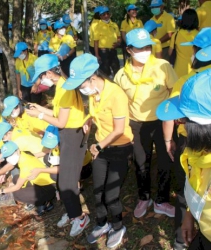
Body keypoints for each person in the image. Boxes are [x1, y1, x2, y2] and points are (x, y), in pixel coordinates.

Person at [62, 53, 133, 248]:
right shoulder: (94, 93)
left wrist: (99, 146)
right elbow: (95, 113)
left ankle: (118, 227)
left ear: (93, 77)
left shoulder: (116, 94)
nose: (80, 89)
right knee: (97, 192)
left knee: (111, 195)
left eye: (81, 85)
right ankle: (102, 224)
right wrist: (89, 119)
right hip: (101, 150)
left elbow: (119, 129)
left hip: (119, 148)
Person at [160, 27, 211, 250]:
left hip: (190, 142)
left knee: (187, 190)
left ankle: (180, 239)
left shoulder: (186, 80)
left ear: (198, 52)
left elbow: (170, 117)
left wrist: (168, 141)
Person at [156, 69, 211, 250]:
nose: (179, 124)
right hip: (205, 232)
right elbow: (198, 187)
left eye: (182, 120)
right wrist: (190, 214)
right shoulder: (198, 152)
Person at [114, 28, 178, 219]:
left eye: (147, 47)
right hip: (136, 124)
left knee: (165, 160)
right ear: (129, 50)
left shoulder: (163, 66)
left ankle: (162, 200)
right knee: (141, 162)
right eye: (139, 48)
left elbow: (174, 92)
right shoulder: (121, 76)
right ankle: (144, 197)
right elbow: (118, 104)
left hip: (162, 122)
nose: (145, 51)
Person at [26, 54, 89, 237]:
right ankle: (72, 213)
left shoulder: (66, 89)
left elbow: (61, 122)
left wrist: (38, 116)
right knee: (64, 181)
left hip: (73, 135)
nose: (41, 80)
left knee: (67, 182)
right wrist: (39, 109)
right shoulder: (61, 86)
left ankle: (79, 217)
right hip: (67, 134)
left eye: (41, 76)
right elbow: (57, 112)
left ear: (48, 72)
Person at [0, 141, 56, 216]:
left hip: (48, 188)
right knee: (15, 178)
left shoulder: (25, 165)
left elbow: (17, 187)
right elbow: (12, 166)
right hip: (38, 182)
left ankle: (45, 204)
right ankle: (33, 197)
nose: (9, 158)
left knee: (16, 193)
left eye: (10, 155)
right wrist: (2, 174)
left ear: (17, 150)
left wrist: (1, 191)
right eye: (7, 157)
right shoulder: (23, 154)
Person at [169, 9, 199, 78]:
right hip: (195, 71)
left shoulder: (176, 34)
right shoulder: (199, 35)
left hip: (178, 70)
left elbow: (170, 52)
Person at [93, 6, 121, 78]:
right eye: (103, 14)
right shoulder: (97, 26)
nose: (106, 16)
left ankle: (117, 85)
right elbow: (96, 42)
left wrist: (118, 43)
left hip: (113, 51)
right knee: (105, 71)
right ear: (100, 16)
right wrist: (97, 55)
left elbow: (119, 37)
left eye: (107, 14)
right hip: (103, 52)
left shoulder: (114, 25)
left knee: (116, 68)